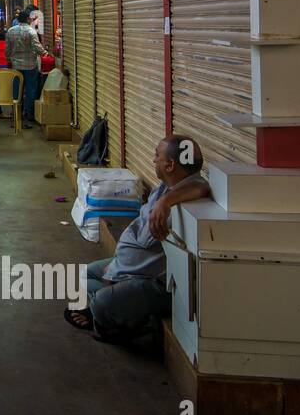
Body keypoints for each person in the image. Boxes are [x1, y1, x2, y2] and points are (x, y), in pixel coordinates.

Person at [64, 136, 212, 342]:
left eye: (156, 155)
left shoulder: (181, 203)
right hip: (129, 269)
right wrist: (116, 266)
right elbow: (198, 182)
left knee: (100, 301)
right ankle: (113, 307)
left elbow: (201, 185)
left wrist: (118, 273)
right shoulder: (167, 187)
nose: (153, 160)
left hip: (151, 282)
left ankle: (122, 325)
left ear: (170, 165)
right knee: (84, 276)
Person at [5, 7, 46, 126]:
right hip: (30, 66)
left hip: (16, 67)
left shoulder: (11, 31)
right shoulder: (31, 31)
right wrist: (45, 53)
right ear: (28, 19)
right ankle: (29, 116)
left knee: (16, 91)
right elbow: (37, 48)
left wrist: (10, 58)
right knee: (30, 91)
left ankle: (16, 116)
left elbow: (7, 50)